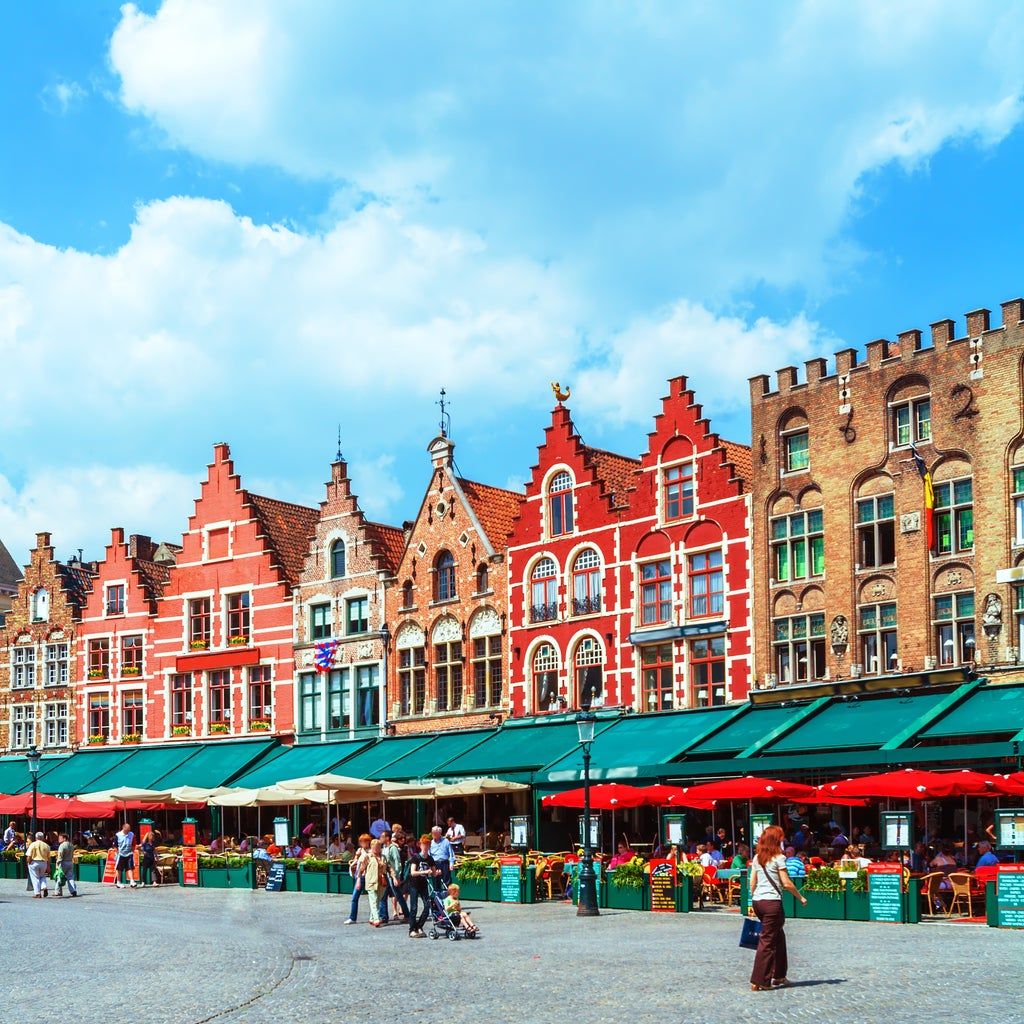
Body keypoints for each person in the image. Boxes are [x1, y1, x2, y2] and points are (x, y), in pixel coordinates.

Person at [748, 824, 807, 992]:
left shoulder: (758, 857)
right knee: (767, 941)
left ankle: (779, 974)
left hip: (758, 901)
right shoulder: (779, 858)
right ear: (776, 840)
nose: (783, 840)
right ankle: (759, 981)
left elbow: (752, 882)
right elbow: (786, 883)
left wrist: (754, 898)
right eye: (781, 837)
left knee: (778, 936)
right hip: (772, 903)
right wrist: (800, 897)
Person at [405, 834, 439, 938]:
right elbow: (413, 872)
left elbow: (433, 873)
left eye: (428, 845)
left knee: (427, 905)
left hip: (424, 884)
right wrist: (424, 871)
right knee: (414, 908)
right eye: (424, 844)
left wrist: (437, 872)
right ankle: (411, 930)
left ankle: (419, 926)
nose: (426, 847)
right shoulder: (416, 857)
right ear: (420, 845)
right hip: (414, 884)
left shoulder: (430, 859)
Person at [343, 834, 372, 924]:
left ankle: (375, 916)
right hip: (359, 876)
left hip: (368, 876)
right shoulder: (359, 850)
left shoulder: (371, 851)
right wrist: (355, 857)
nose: (362, 843)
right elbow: (355, 861)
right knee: (354, 897)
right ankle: (352, 917)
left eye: (364, 841)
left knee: (372, 897)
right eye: (361, 841)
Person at [363, 839, 387, 928]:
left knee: (377, 900)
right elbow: (361, 868)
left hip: (382, 882)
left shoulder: (384, 857)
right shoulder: (367, 856)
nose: (377, 848)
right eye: (375, 847)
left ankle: (371, 917)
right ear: (371, 847)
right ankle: (376, 919)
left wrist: (394, 877)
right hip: (371, 882)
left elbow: (388, 868)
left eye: (378, 846)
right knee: (374, 900)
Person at [26, 831, 51, 899]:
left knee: (35, 878)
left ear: (36, 837)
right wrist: (48, 866)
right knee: (42, 876)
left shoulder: (33, 844)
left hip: (34, 862)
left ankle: (37, 893)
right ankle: (44, 886)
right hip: (43, 862)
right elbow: (49, 858)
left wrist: (28, 862)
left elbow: (29, 855)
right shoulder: (47, 846)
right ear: (42, 838)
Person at [54, 832, 78, 898]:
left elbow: (60, 855)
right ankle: (73, 890)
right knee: (70, 877)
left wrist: (58, 863)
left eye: (60, 838)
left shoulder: (62, 845)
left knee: (59, 876)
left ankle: (57, 892)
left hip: (63, 862)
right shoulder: (71, 845)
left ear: (64, 838)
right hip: (70, 862)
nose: (58, 839)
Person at [115, 822, 137, 889]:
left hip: (129, 853)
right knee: (119, 868)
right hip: (121, 854)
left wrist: (132, 851)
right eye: (127, 830)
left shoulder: (131, 834)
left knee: (130, 867)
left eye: (129, 830)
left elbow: (133, 843)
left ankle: (132, 881)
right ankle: (118, 882)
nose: (128, 831)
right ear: (123, 828)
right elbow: (115, 845)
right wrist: (118, 852)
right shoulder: (118, 835)